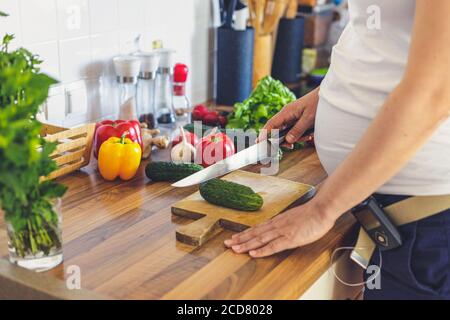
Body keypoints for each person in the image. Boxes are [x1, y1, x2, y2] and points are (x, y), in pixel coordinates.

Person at [224, 0, 450, 299]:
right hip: (388, 214)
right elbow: (385, 37)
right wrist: (329, 92)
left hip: (426, 226)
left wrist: (322, 210)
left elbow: (435, 91)